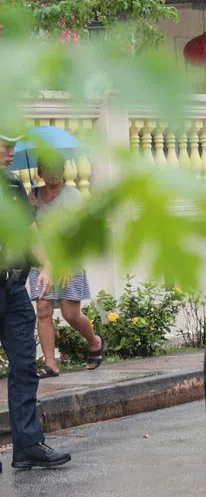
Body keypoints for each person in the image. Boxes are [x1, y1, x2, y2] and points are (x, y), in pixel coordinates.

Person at [0, 133, 71, 470]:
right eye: (4, 146)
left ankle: (27, 445)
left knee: (25, 366)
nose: (10, 153)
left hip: (12, 287)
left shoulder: (13, 184)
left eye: (13, 147)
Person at [27, 160, 104, 378]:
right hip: (41, 262)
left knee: (71, 314)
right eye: (48, 169)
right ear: (40, 172)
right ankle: (51, 364)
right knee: (43, 309)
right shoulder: (33, 196)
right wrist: (29, 209)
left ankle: (95, 342)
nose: (54, 173)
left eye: (58, 168)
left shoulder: (74, 197)